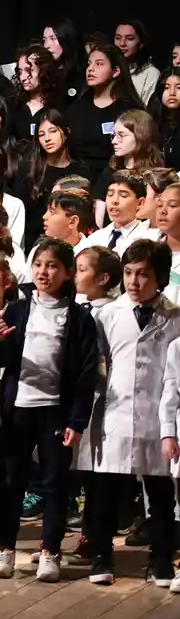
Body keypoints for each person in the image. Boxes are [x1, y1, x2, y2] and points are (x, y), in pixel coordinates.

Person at [0, 238, 99, 582]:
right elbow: (0, 362)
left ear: (66, 273)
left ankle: (50, 551)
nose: (43, 272)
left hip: (55, 412)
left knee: (55, 483)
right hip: (17, 409)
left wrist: (77, 421)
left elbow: (85, 373)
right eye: (38, 265)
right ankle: (5, 549)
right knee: (12, 481)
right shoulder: (16, 310)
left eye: (52, 266)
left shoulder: (79, 318)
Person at [77, 239, 179, 587]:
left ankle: (162, 559)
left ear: (161, 278)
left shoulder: (175, 317)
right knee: (104, 491)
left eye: (145, 275)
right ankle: (102, 555)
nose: (135, 282)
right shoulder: (106, 315)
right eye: (131, 273)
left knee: (160, 492)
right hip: (113, 415)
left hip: (157, 415)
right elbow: (96, 367)